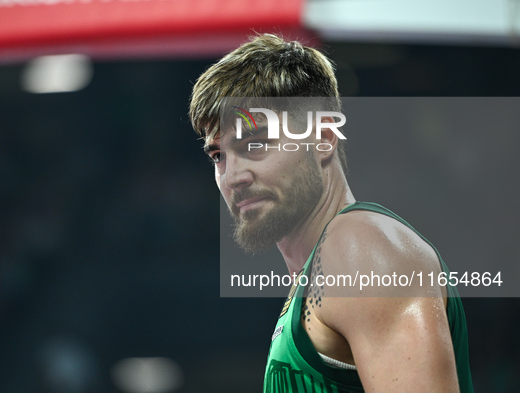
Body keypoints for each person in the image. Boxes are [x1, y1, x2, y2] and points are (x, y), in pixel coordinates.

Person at [189, 33, 473, 393]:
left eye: (255, 143)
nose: (233, 176)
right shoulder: (319, 270)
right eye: (219, 156)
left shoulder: (359, 249)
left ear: (323, 138)